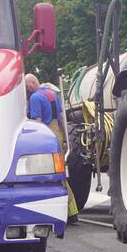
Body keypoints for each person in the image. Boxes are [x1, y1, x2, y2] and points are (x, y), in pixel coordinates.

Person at [25, 74, 78, 224]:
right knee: (60, 172)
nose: (26, 90)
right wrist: (66, 139)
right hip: (58, 135)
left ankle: (67, 211)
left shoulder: (35, 98)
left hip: (46, 135)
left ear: (33, 82)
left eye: (26, 86)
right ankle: (71, 211)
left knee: (51, 175)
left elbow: (37, 122)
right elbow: (62, 118)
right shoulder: (52, 94)